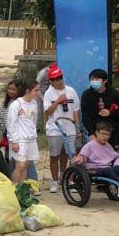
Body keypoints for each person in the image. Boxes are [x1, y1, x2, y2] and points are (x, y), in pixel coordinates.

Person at [72, 122, 119, 192]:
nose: (105, 137)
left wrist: (116, 165)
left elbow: (117, 157)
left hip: (109, 168)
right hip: (95, 170)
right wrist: (80, 159)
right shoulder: (90, 145)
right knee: (109, 170)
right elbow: (83, 156)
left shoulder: (108, 145)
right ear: (97, 133)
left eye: (108, 135)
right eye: (103, 134)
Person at [42, 65, 81, 193]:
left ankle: (64, 177)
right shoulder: (49, 93)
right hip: (55, 128)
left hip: (70, 128)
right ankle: (54, 181)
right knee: (55, 155)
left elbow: (75, 110)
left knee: (68, 154)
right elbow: (47, 112)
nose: (59, 81)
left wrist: (77, 126)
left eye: (60, 78)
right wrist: (58, 100)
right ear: (51, 81)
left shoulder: (71, 91)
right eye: (56, 79)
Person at [80, 68, 119, 147]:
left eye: (97, 79)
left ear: (105, 81)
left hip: (112, 134)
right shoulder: (86, 94)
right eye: (92, 79)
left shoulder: (114, 93)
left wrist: (110, 113)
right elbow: (85, 115)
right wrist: (91, 133)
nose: (94, 81)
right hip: (95, 134)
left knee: (110, 157)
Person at [7, 79, 41, 184]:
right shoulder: (17, 104)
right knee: (20, 165)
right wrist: (14, 141)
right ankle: (14, 188)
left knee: (26, 165)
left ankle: (21, 188)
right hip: (19, 139)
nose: (38, 93)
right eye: (36, 90)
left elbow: (33, 121)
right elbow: (11, 123)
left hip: (30, 139)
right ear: (28, 91)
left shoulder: (34, 103)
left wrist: (33, 134)